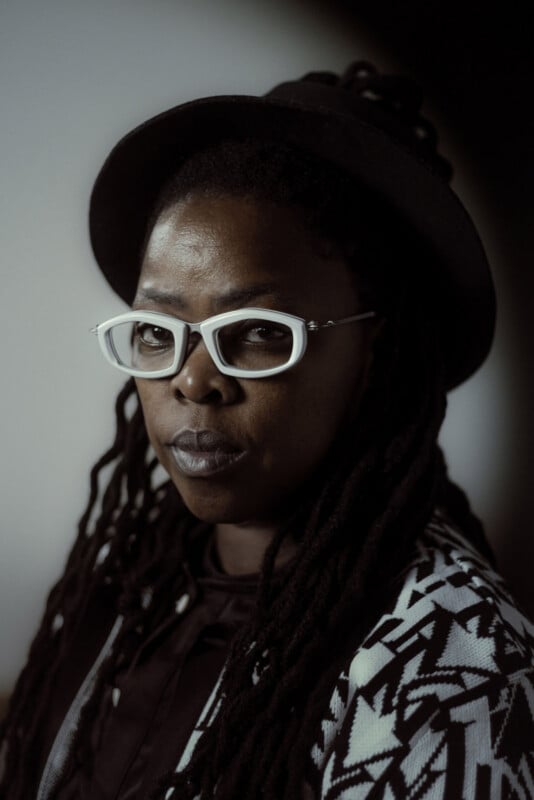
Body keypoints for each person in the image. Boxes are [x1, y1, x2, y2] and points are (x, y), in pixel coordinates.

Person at [1, 61, 533, 800]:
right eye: (157, 331)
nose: (193, 381)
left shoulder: (456, 662)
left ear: (374, 352)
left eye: (255, 332)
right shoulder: (135, 582)